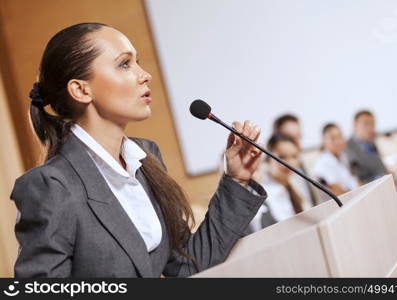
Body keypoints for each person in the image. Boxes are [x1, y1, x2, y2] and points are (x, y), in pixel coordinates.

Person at [9, 23, 267, 278]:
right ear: (81, 89)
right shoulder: (50, 185)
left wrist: (237, 179)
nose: (145, 74)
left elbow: (188, 265)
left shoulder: (146, 157)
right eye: (124, 64)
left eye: (137, 61)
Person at [248, 134, 304, 233]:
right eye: (282, 157)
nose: (289, 163)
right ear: (268, 159)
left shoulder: (293, 186)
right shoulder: (262, 194)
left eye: (294, 156)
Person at [273, 114, 317, 206]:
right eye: (290, 138)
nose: (297, 144)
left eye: (299, 137)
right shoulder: (275, 174)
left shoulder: (304, 161)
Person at [312, 123, 358, 198]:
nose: (338, 141)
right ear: (324, 141)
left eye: (340, 137)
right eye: (333, 138)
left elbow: (353, 182)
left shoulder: (343, 156)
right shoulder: (322, 164)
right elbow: (337, 191)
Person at [345, 110, 387, 184]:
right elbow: (356, 182)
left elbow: (382, 169)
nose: (371, 128)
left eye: (373, 124)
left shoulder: (371, 144)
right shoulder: (346, 148)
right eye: (366, 124)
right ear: (355, 126)